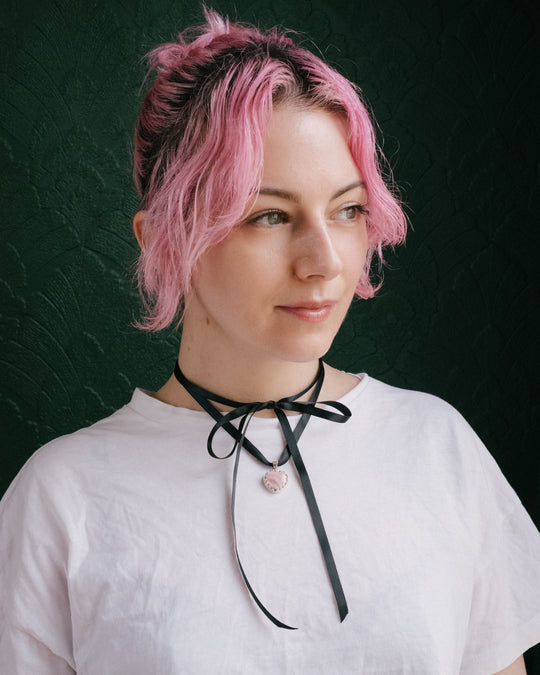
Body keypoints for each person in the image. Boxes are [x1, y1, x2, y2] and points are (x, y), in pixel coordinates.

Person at [0, 9, 539, 674]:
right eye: (270, 216)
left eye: (347, 210)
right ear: (165, 240)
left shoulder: (438, 448)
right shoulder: (61, 498)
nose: (325, 261)